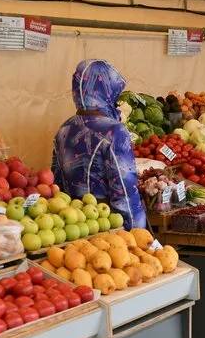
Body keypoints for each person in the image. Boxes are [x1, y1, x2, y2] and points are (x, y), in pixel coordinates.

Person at [52, 59, 147, 229]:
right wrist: (138, 231)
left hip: (74, 224)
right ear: (108, 90)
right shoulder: (114, 132)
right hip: (106, 224)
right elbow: (124, 191)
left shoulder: (64, 128)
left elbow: (56, 184)